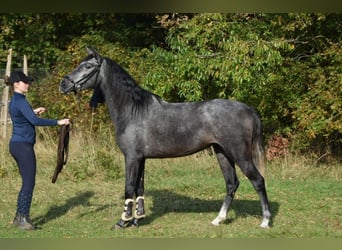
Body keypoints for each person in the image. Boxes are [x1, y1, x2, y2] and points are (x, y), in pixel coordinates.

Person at [8, 70, 70, 230]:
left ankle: (19, 217)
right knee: (29, 182)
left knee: (26, 182)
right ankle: (23, 219)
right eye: (25, 82)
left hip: (16, 144)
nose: (28, 84)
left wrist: (32, 111)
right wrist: (58, 122)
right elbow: (34, 121)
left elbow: (20, 116)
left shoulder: (16, 100)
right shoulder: (20, 100)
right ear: (16, 83)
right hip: (23, 146)